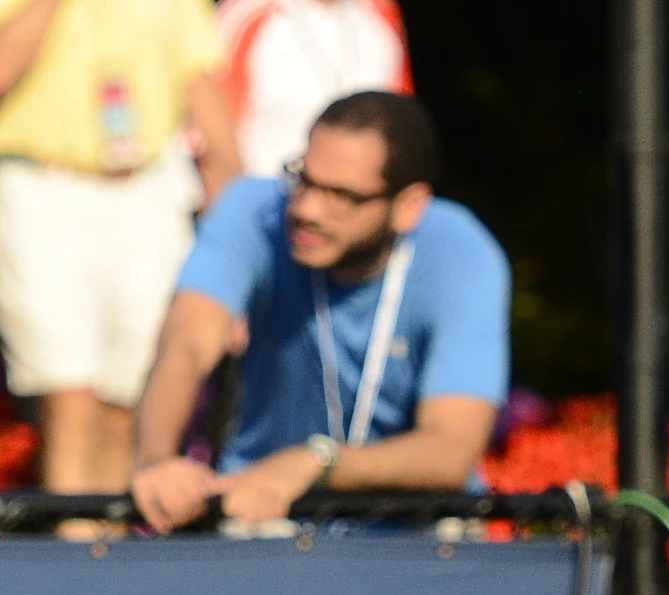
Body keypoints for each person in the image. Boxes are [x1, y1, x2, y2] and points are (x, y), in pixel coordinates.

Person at [130, 89, 506, 530]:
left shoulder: (462, 253)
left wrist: (316, 463)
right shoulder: (254, 211)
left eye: (341, 197)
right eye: (303, 179)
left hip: (413, 526)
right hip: (262, 510)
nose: (306, 208)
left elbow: (451, 451)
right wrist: (155, 458)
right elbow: (186, 342)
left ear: (407, 207)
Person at [0, 0, 239, 494]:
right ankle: (76, 551)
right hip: (43, 183)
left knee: (127, 394)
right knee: (69, 392)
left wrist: (234, 197)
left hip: (146, 190)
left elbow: (197, 77)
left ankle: (105, 552)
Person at [214, 0, 411, 180]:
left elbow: (402, 129)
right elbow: (207, 142)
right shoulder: (245, 14)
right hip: (267, 200)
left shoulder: (381, 11)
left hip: (360, 206)